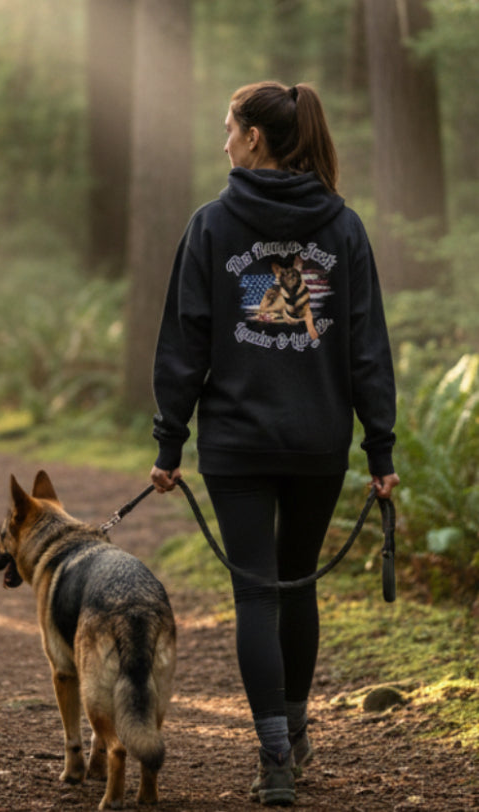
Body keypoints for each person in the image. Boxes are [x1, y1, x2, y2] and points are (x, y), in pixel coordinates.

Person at [149, 81, 400, 806]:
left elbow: (182, 343)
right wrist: (379, 451)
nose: (222, 139)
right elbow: (366, 350)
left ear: (255, 137)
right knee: (298, 585)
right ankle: (293, 732)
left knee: (257, 592)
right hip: (319, 439)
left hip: (235, 443)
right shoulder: (343, 227)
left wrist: (170, 445)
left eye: (228, 127)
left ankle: (275, 757)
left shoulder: (212, 225)